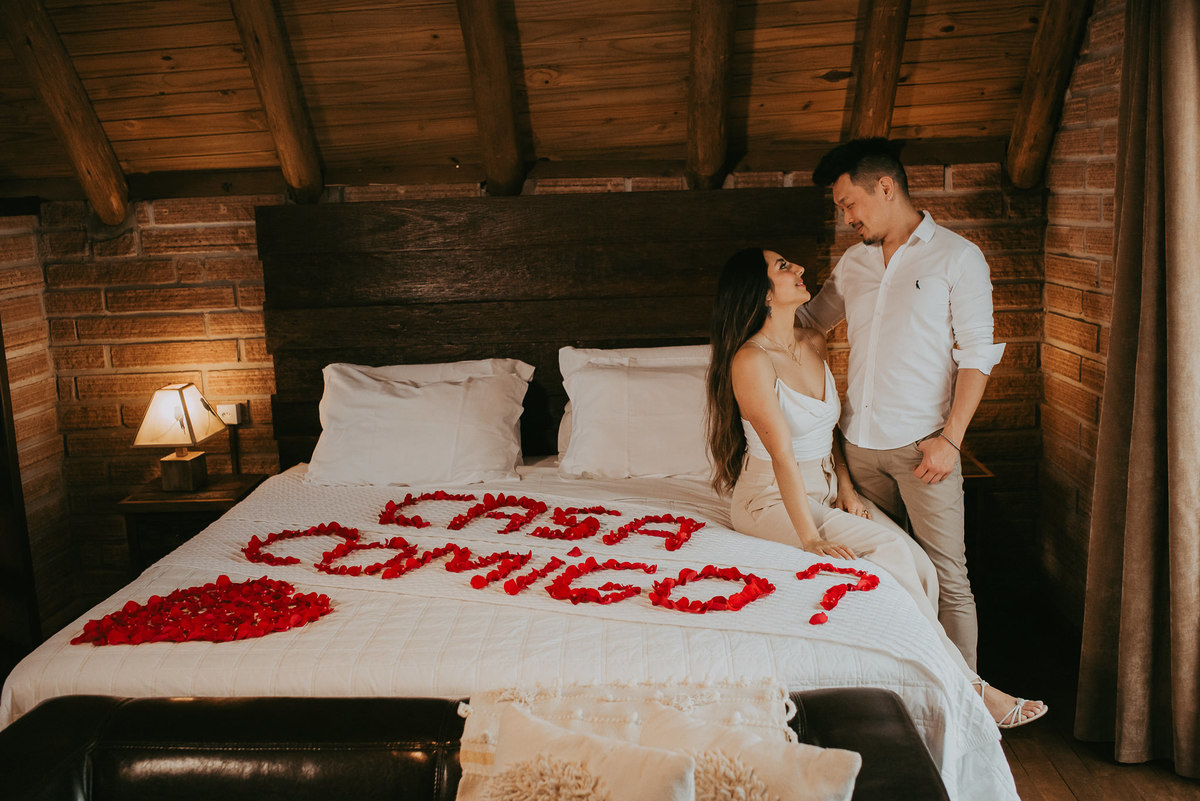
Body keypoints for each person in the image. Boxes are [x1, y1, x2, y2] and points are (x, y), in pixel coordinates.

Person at [706, 247, 1045, 729]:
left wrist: (846, 487)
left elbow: (829, 429)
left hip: (823, 486)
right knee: (893, 555)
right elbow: (782, 454)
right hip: (771, 500)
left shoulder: (811, 341)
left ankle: (944, 686)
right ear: (759, 293)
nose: (799, 268)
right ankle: (970, 689)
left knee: (922, 566)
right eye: (784, 267)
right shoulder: (750, 361)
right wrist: (811, 540)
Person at [796, 138, 1000, 674]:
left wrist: (951, 439)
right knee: (878, 571)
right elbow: (810, 321)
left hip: (924, 453)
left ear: (884, 187)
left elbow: (978, 354)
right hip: (857, 453)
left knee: (947, 578)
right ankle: (898, 685)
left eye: (849, 205)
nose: (847, 220)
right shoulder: (852, 264)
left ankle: (967, 700)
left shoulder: (958, 257)